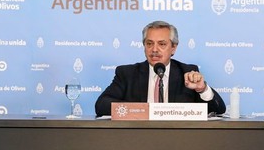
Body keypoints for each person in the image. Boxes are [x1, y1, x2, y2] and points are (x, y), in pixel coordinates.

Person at [95, 20, 226, 116]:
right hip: (137, 137)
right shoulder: (127, 74)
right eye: (149, 44)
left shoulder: (187, 73)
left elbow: (219, 109)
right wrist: (142, 110)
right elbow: (101, 105)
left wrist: (202, 89)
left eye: (162, 44)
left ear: (173, 48)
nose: (154, 50)